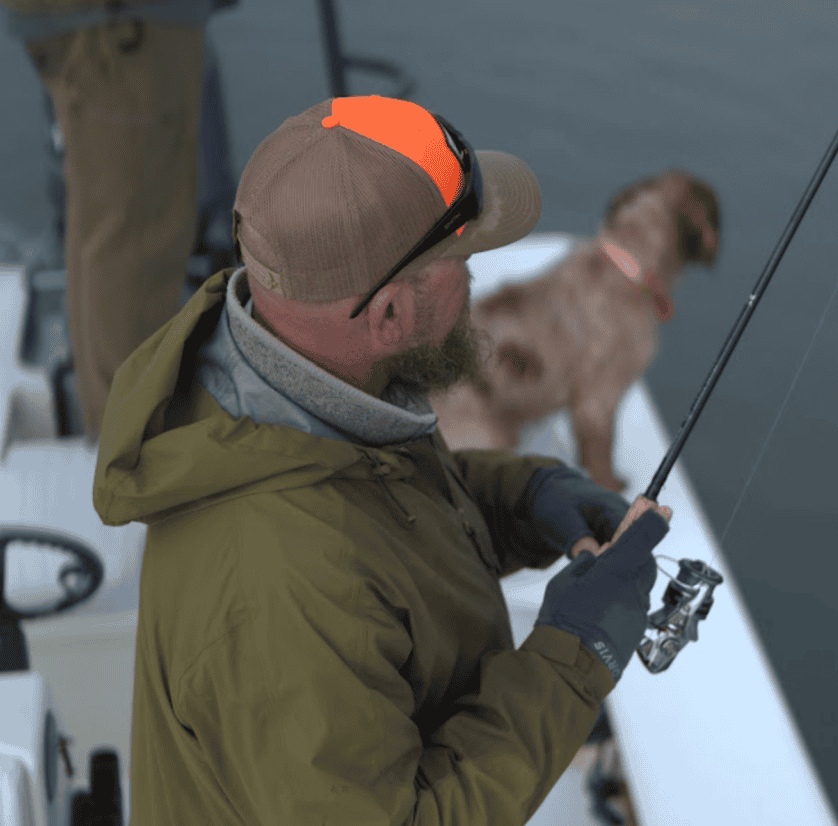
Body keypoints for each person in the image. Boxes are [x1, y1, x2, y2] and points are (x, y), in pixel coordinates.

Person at [91, 94, 673, 825]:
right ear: (391, 314)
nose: (476, 282)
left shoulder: (303, 387)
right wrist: (575, 654)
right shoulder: (278, 591)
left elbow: (378, 524)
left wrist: (522, 501)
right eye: (461, 258)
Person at [1, 0, 223, 443]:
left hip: (100, 24)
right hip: (120, 24)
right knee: (136, 236)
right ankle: (131, 450)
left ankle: (110, 427)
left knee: (105, 223)